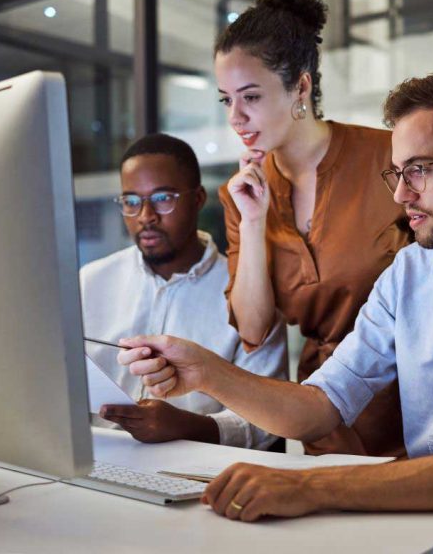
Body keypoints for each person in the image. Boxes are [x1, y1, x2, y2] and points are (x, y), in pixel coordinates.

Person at [120, 71, 433, 553]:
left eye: (420, 169)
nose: (402, 195)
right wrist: (205, 371)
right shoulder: (409, 273)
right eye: (398, 172)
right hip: (427, 534)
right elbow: (319, 408)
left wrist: (315, 488)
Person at [215, 0, 410, 456]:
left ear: (300, 87)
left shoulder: (390, 157)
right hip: (323, 416)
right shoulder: (242, 195)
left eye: (251, 96)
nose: (235, 118)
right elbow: (255, 330)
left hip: (415, 405)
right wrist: (255, 221)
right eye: (227, 99)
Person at [79, 133, 287, 450]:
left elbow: (271, 420)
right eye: (131, 202)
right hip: (98, 460)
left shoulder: (248, 292)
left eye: (163, 199)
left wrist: (188, 426)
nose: (145, 216)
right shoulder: (91, 282)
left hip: (200, 472)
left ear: (198, 199)